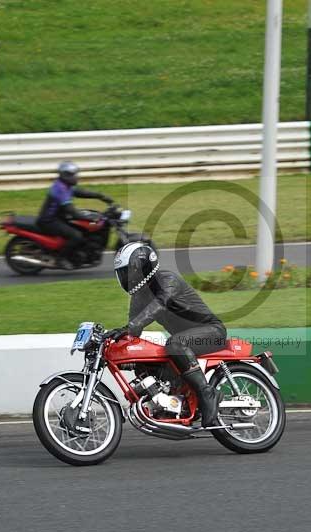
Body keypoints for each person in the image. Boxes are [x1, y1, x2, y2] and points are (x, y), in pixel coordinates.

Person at [105, 242, 225, 428]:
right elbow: (134, 328)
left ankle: (207, 393)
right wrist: (116, 336)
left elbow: (159, 304)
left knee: (175, 343)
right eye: (123, 273)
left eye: (129, 272)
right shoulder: (139, 296)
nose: (126, 277)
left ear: (143, 267)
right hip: (186, 340)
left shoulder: (167, 280)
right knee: (145, 359)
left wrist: (132, 325)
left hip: (211, 331)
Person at [37, 161, 113, 269]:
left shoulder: (65, 185)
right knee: (76, 236)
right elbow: (71, 211)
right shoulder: (60, 189)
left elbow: (81, 192)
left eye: (76, 174)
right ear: (65, 175)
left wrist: (100, 196)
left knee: (82, 229)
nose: (76, 177)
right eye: (73, 175)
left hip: (60, 217)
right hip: (49, 220)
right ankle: (60, 259)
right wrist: (90, 218)